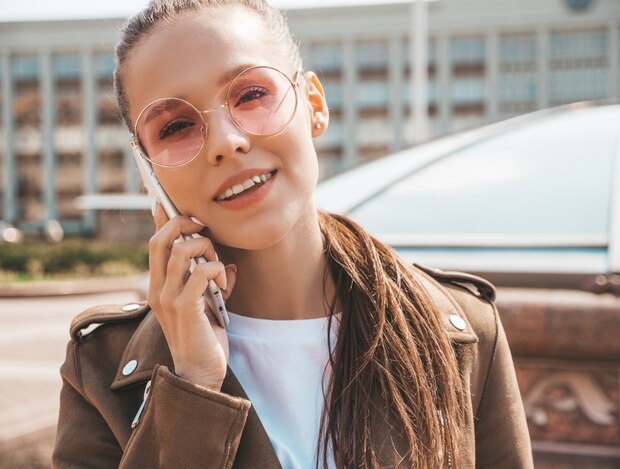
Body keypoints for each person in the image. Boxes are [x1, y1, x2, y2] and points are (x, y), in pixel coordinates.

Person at [53, 1, 533, 467]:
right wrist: (193, 386)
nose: (226, 142)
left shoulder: (463, 331)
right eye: (176, 126)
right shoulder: (97, 369)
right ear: (148, 171)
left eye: (251, 95)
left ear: (314, 105)